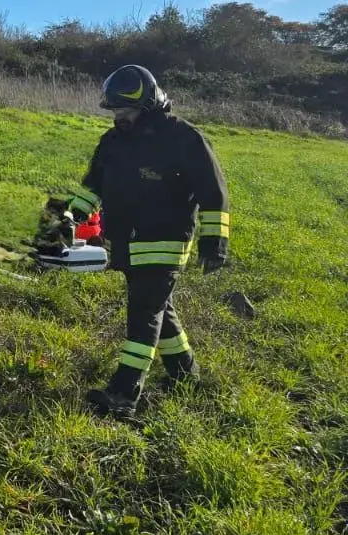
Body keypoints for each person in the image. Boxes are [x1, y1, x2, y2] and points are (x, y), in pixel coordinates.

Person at [64, 64, 230, 419]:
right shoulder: (112, 143)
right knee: (159, 309)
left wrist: (214, 243)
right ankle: (186, 374)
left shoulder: (184, 139)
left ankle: (124, 393)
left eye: (125, 110)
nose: (118, 117)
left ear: (149, 102)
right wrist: (71, 218)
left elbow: (214, 194)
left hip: (165, 243)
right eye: (114, 110)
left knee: (144, 313)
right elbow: (92, 186)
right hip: (126, 242)